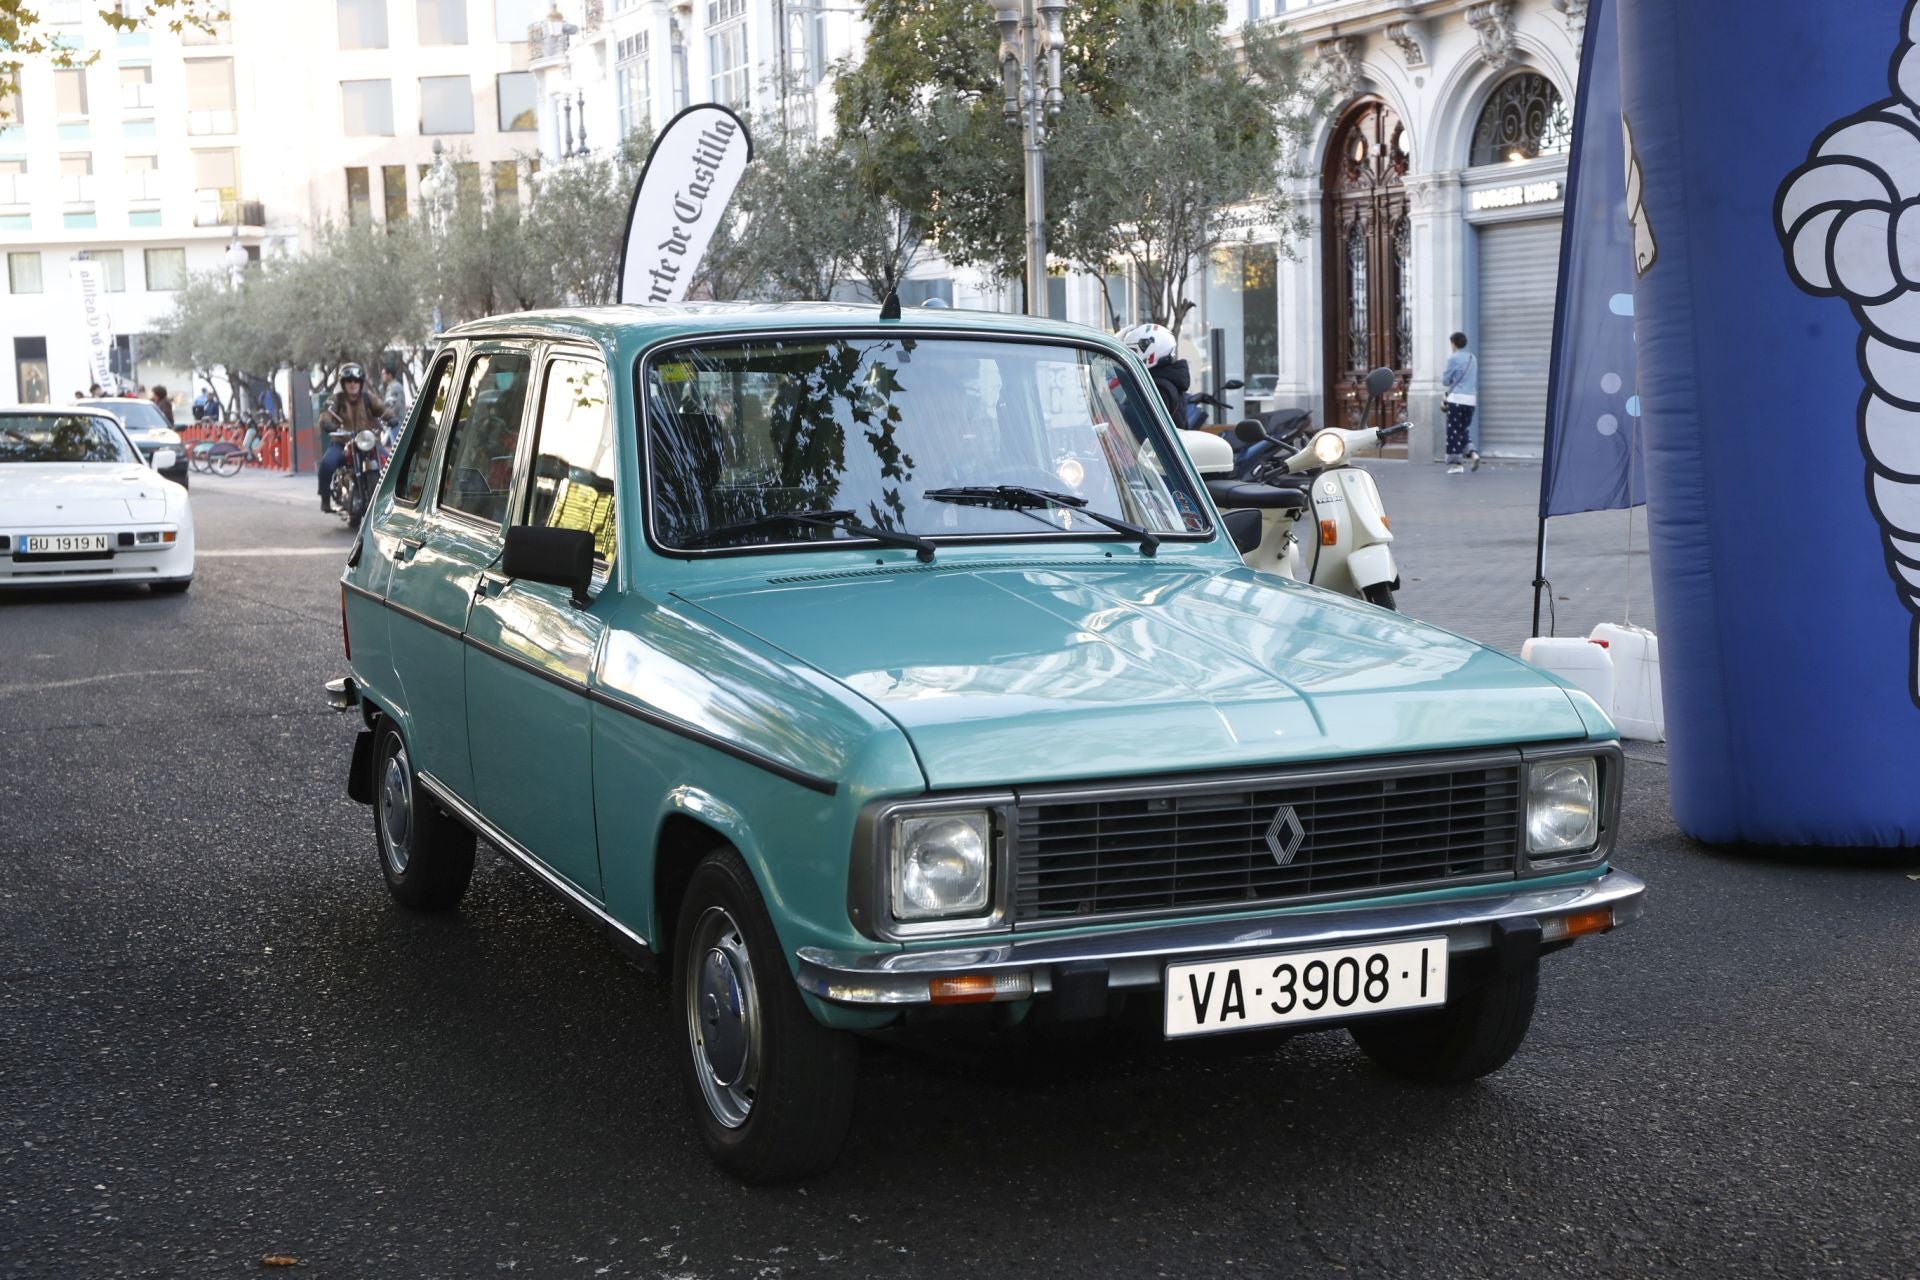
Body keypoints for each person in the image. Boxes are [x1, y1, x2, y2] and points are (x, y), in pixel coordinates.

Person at [318, 363, 391, 513]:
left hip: (367, 442)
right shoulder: (336, 399)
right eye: (349, 380)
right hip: (342, 442)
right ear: (343, 383)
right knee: (327, 464)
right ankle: (325, 499)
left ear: (361, 383)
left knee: (391, 463)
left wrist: (391, 417)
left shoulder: (368, 398)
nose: (353, 384)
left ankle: (391, 501)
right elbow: (326, 413)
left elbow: (382, 409)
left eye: (356, 381)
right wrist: (327, 423)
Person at [1118, 322, 1189, 426]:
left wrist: (1116, 408)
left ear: (1151, 352)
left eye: (1133, 351)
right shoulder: (1155, 381)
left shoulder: (1159, 388)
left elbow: (1139, 426)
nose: (1130, 357)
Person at [1441, 331, 1480, 474]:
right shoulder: (1472, 358)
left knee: (1453, 432)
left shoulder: (1453, 359)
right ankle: (1473, 453)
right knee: (1462, 430)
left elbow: (1445, 380)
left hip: (1457, 399)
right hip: (1471, 401)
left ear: (1454, 343)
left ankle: (1457, 464)